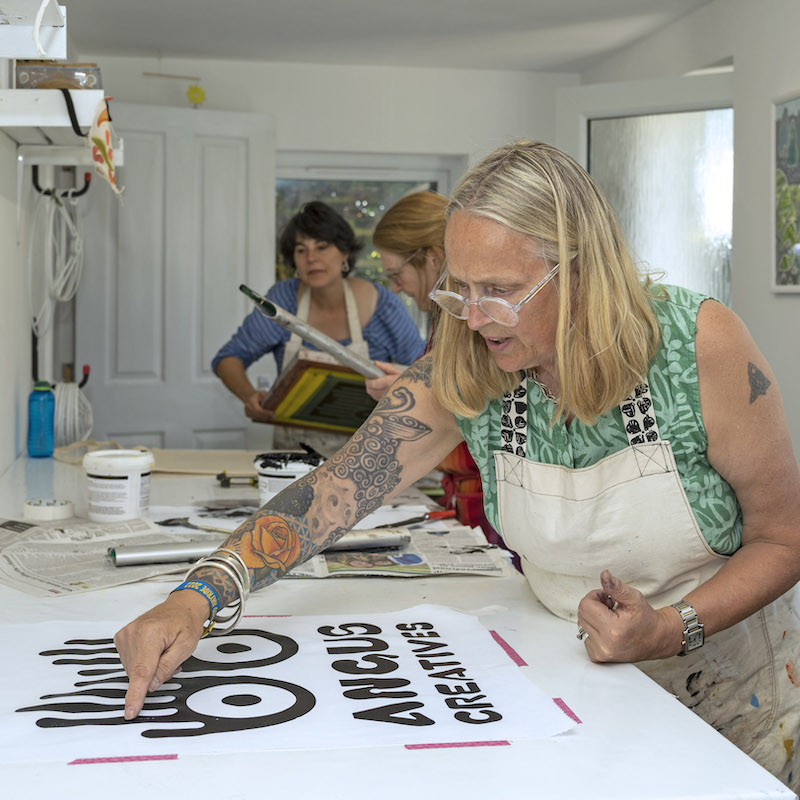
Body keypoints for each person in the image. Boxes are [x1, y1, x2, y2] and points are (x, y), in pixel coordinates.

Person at [115, 141, 800, 791]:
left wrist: (670, 626)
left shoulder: (697, 345)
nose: (472, 318)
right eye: (458, 290)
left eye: (499, 289)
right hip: (584, 688)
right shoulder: (468, 362)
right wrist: (199, 594)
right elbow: (335, 490)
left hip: (733, 698)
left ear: (582, 270)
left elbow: (784, 538)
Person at [212, 200, 426, 448]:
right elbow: (228, 358)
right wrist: (249, 396)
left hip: (372, 451)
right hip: (296, 455)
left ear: (345, 252)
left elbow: (422, 370)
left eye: (322, 247)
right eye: (301, 250)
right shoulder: (282, 301)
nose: (311, 258)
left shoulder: (381, 303)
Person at [366, 191, 503, 550]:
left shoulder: (474, 324)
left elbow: (485, 424)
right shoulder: (443, 320)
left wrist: (424, 404)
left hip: (491, 514)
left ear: (433, 257)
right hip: (464, 506)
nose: (395, 288)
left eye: (397, 275)